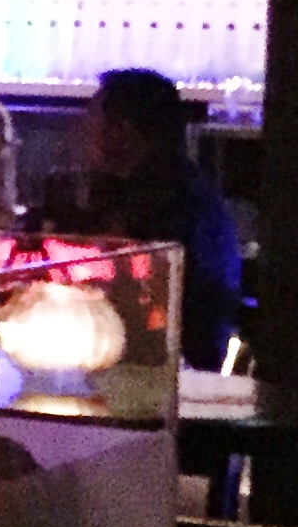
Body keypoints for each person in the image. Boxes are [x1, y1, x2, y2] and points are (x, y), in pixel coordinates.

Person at [72, 66, 243, 369]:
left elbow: (129, 291)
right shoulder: (181, 186)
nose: (83, 132)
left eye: (92, 121)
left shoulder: (161, 198)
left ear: (122, 131)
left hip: (166, 366)